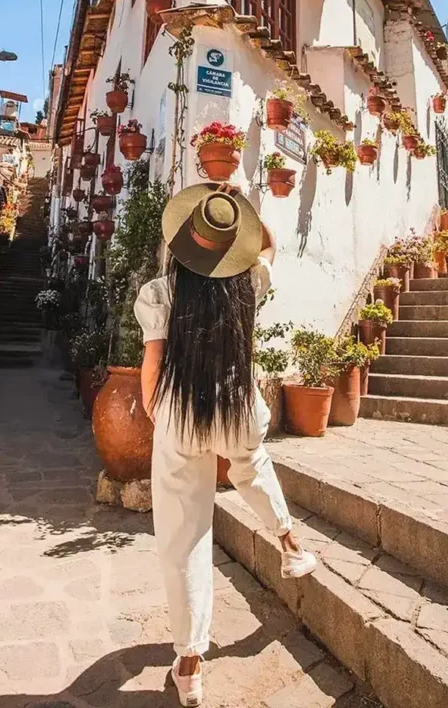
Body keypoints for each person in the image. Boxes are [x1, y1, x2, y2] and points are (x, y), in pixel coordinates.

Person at [134, 183, 316, 707]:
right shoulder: (249, 284)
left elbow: (152, 364)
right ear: (230, 246)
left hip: (181, 416)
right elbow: (269, 245)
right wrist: (242, 208)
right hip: (236, 407)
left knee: (183, 536)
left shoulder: (159, 293)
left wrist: (157, 413)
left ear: (183, 242)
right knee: (252, 464)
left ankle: (189, 665)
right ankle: (290, 543)